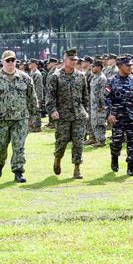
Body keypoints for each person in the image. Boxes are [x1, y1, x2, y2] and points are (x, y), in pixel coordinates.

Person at [0, 50, 38, 183]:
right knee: (0, 146)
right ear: (2, 62)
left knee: (19, 146)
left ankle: (18, 171)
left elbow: (32, 97)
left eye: (13, 60)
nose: (10, 63)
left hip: (20, 118)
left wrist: (33, 116)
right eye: (7, 60)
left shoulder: (25, 78)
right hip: (1, 119)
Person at [46, 48, 89, 179]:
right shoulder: (55, 76)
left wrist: (85, 111)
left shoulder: (81, 76)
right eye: (71, 59)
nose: (74, 61)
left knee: (79, 142)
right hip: (63, 115)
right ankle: (57, 159)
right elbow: (50, 97)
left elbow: (85, 95)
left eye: (75, 59)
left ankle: (77, 168)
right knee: (61, 141)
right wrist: (53, 111)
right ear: (65, 60)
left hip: (78, 115)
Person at [105, 55, 133, 176]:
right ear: (119, 66)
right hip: (118, 117)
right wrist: (109, 114)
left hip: (132, 116)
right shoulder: (111, 80)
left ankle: (131, 167)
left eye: (131, 65)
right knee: (117, 142)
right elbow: (106, 99)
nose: (130, 67)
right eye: (127, 65)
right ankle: (114, 158)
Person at [89, 58, 107, 147]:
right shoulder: (95, 77)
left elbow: (102, 93)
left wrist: (100, 105)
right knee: (94, 122)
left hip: (99, 106)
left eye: (93, 66)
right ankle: (97, 139)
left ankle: (101, 140)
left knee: (99, 122)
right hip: (93, 105)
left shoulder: (102, 78)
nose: (91, 68)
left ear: (99, 67)